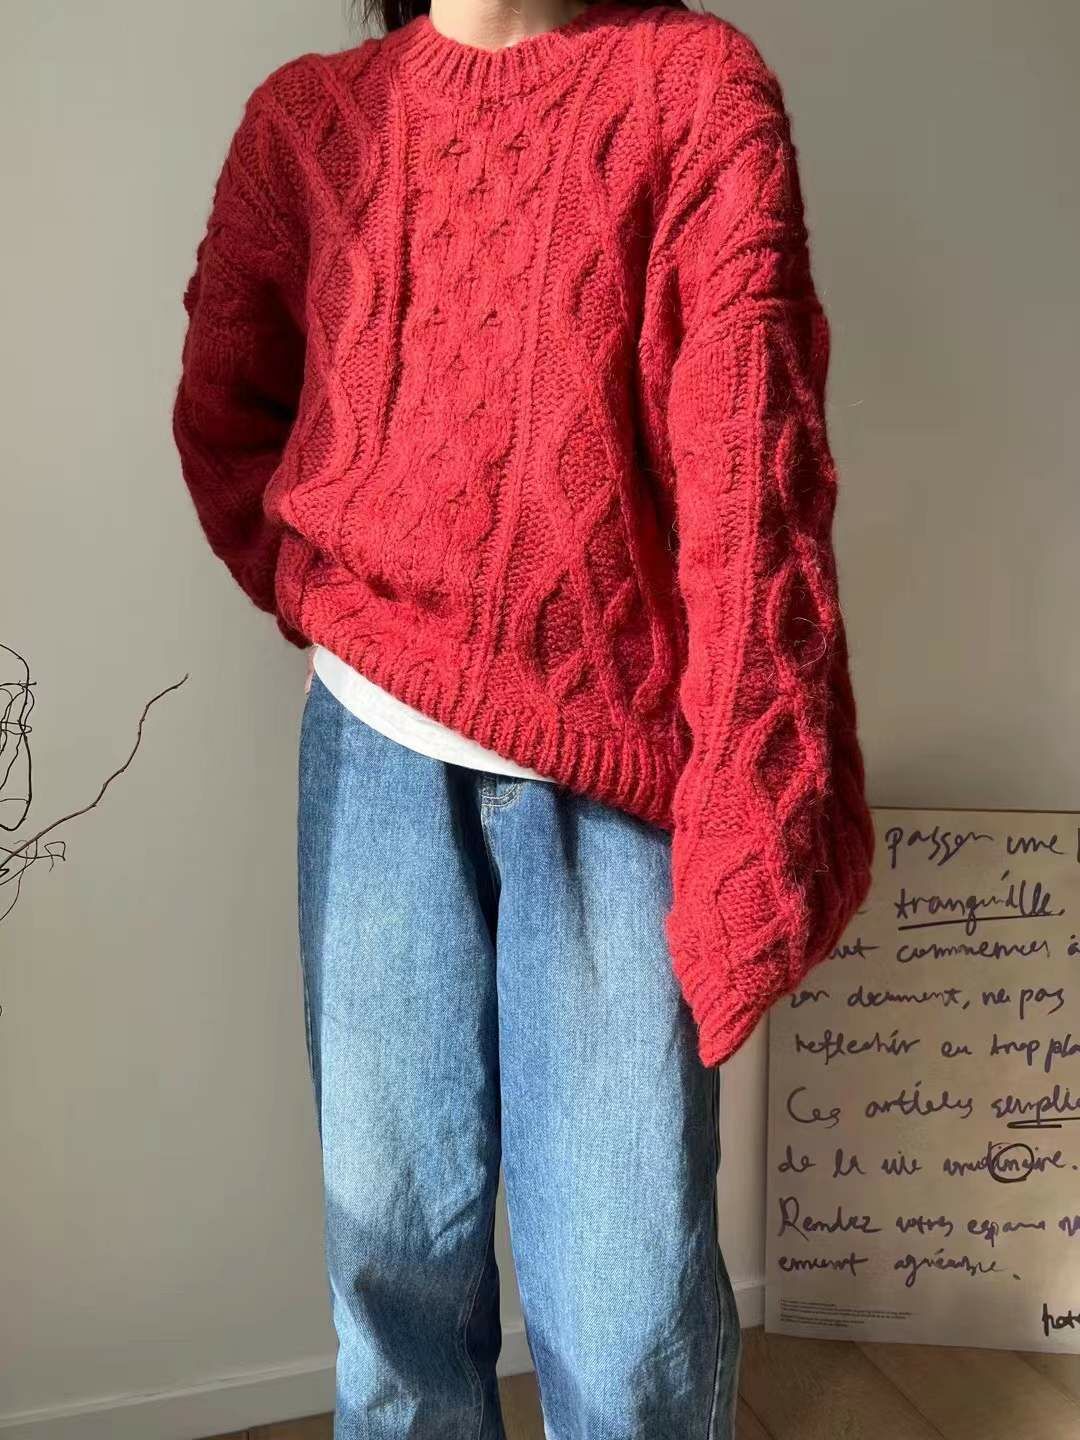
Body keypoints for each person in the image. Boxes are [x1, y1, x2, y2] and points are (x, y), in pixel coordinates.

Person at [171, 0, 875, 1433]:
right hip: (372, 761)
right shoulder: (310, 125)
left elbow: (751, 490)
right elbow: (226, 410)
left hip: (613, 794)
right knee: (392, 1272)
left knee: (629, 1318)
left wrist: (747, 814)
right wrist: (324, 599)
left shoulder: (693, 92)